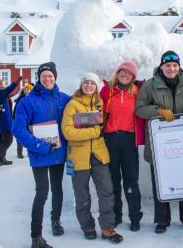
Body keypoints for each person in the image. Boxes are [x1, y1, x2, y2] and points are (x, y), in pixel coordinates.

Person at [135, 50, 183, 233]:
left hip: (182, 142)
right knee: (160, 181)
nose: (171, 68)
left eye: (175, 65)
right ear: (161, 66)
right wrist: (158, 111)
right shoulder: (149, 85)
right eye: (168, 65)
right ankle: (162, 220)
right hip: (159, 143)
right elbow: (140, 109)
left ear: (179, 67)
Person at [13, 62, 70, 248]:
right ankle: (36, 236)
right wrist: (39, 145)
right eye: (44, 75)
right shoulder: (27, 101)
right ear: (39, 77)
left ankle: (56, 221)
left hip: (58, 154)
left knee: (57, 189)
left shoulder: (64, 99)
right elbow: (18, 129)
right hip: (39, 154)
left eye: (50, 75)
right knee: (42, 192)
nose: (47, 78)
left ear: (55, 77)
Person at [62, 72, 123, 243]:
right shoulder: (72, 105)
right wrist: (94, 131)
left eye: (92, 84)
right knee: (82, 194)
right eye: (86, 83)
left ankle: (107, 228)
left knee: (107, 191)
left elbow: (102, 123)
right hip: (78, 156)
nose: (89, 86)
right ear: (81, 85)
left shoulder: (99, 103)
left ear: (96, 87)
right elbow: (68, 132)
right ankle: (87, 226)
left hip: (98, 154)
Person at [100, 61, 143, 232]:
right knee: (113, 181)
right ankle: (116, 215)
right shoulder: (107, 90)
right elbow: (96, 109)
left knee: (131, 180)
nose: (125, 75)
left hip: (129, 139)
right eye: (122, 72)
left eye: (129, 73)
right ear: (117, 73)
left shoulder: (137, 92)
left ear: (133, 77)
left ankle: (134, 217)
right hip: (110, 139)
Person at [0, 77, 22, 166]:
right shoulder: (0, 92)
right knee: (8, 139)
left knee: (2, 140)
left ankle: (2, 158)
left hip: (0, 121)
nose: (4, 85)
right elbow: (9, 89)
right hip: (3, 121)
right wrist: (16, 82)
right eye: (2, 83)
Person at [13, 83, 34, 158]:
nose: (26, 91)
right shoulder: (21, 98)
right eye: (25, 89)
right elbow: (16, 110)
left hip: (31, 120)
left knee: (31, 136)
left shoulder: (33, 98)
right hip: (22, 119)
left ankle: (31, 151)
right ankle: (19, 153)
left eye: (28, 89)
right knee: (21, 135)